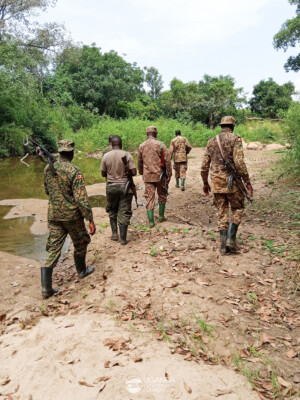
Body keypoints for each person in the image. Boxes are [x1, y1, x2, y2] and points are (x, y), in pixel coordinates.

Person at [42, 140, 96, 299]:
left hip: (53, 215)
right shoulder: (74, 170)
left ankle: (46, 288)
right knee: (81, 242)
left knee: (53, 248)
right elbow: (81, 199)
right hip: (72, 216)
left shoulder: (48, 168)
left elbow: (47, 191)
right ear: (72, 153)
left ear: (60, 152)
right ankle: (82, 271)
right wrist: (90, 218)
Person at [201, 116, 253, 255]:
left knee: (221, 212)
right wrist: (247, 181)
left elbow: (204, 166)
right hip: (233, 184)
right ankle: (231, 239)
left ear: (221, 126)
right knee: (238, 208)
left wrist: (205, 183)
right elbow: (239, 163)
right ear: (232, 126)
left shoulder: (211, 141)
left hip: (217, 184)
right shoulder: (236, 139)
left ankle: (223, 247)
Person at [101, 135, 136, 245]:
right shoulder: (127, 154)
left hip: (111, 187)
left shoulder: (106, 155)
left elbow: (103, 173)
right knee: (124, 211)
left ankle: (114, 235)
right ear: (121, 144)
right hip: (125, 187)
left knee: (112, 210)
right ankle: (123, 239)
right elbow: (134, 172)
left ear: (112, 144)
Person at [138, 126, 172, 228]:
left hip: (148, 176)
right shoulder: (161, 145)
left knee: (149, 197)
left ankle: (151, 222)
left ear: (147, 134)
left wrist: (141, 172)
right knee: (162, 195)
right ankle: (161, 216)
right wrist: (169, 174)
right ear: (156, 133)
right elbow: (167, 161)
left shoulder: (142, 146)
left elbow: (139, 161)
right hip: (160, 176)